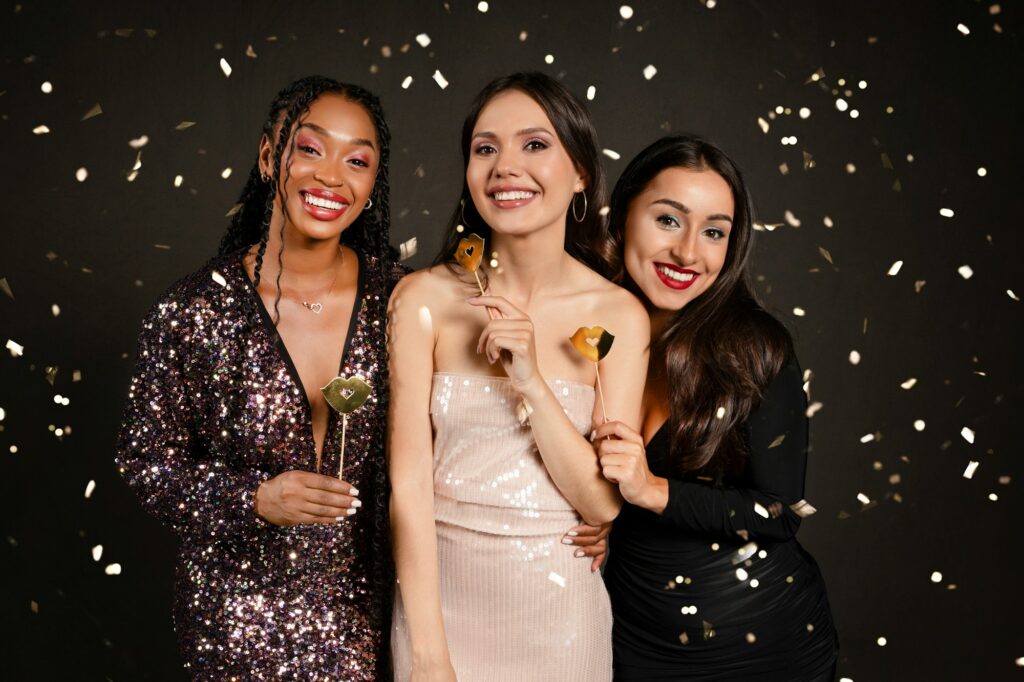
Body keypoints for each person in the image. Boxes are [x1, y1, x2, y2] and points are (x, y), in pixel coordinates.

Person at [115, 75, 403, 680]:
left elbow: (458, 426)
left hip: (374, 617)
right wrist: (251, 498)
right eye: (310, 148)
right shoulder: (193, 310)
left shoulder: (401, 299)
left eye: (357, 160)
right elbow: (145, 461)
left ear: (372, 185)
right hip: (233, 624)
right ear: (270, 156)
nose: (331, 176)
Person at [387, 72, 649, 681]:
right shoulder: (422, 296)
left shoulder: (618, 315)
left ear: (580, 172)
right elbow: (408, 487)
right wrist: (427, 655)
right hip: (440, 608)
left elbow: (601, 503)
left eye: (535, 145)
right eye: (486, 148)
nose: (506, 166)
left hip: (560, 619)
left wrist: (529, 379)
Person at [596, 135, 838, 680]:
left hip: (762, 646)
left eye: (713, 233)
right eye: (667, 220)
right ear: (623, 216)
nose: (687, 253)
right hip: (634, 637)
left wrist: (652, 491)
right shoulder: (585, 332)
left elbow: (781, 511)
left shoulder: (754, 346)